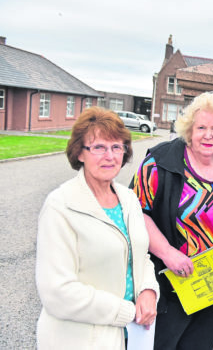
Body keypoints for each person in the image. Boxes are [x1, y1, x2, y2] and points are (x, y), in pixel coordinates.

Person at [131, 91, 213, 350]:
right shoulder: (160, 163)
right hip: (171, 286)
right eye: (202, 127)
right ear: (189, 129)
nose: (208, 135)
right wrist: (167, 253)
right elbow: (136, 211)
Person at [35, 107, 159, 350]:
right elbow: (57, 293)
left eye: (116, 147)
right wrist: (126, 311)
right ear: (80, 153)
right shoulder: (60, 206)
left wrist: (148, 291)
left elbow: (140, 256)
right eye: (99, 147)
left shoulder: (129, 199)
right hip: (77, 340)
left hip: (128, 337)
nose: (110, 156)